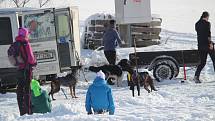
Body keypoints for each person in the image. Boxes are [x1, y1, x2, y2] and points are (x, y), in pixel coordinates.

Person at [16, 27, 37, 116]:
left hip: (19, 69)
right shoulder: (26, 43)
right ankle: (28, 111)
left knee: (20, 89)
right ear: (25, 34)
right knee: (27, 89)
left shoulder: (16, 43)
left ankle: (22, 110)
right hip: (27, 69)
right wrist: (34, 63)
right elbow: (31, 58)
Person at [194, 11, 215, 83]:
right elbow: (208, 34)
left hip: (200, 46)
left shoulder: (197, 24)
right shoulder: (207, 24)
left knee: (202, 62)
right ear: (206, 17)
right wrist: (210, 44)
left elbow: (200, 34)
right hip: (207, 45)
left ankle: (196, 76)